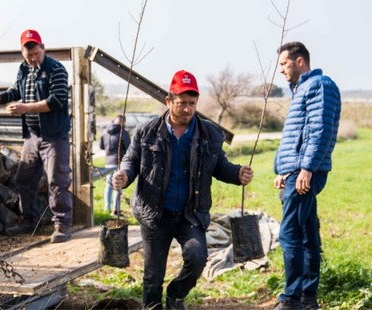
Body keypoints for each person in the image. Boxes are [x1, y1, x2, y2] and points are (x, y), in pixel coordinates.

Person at [112, 70, 254, 309]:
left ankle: (176, 294)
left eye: (192, 103)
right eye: (181, 103)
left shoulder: (210, 134)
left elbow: (220, 166)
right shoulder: (147, 131)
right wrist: (124, 176)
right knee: (153, 274)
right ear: (169, 101)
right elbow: (131, 160)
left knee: (198, 257)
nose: (187, 109)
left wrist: (237, 173)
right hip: (154, 214)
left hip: (190, 214)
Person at [272, 42, 341, 310]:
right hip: (297, 172)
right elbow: (295, 135)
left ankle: (291, 300)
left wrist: (307, 170)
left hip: (306, 173)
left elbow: (320, 131)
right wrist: (282, 170)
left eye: (284, 64)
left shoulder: (319, 86)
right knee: (308, 232)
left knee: (290, 233)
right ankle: (307, 299)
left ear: (300, 61)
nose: (281, 71)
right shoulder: (301, 89)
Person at [0, 29, 73, 243]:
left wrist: (26, 108)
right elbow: (18, 90)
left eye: (36, 53)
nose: (33, 58)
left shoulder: (56, 70)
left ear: (42, 48)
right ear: (22, 53)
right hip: (32, 136)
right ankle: (27, 219)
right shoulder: (24, 69)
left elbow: (57, 100)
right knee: (25, 179)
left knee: (57, 180)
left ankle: (61, 225)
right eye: (29, 55)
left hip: (54, 136)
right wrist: (1, 97)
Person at [99, 115, 130, 215]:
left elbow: (101, 146)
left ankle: (106, 207)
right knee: (118, 185)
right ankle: (116, 209)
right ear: (123, 122)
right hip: (119, 162)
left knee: (108, 185)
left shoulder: (104, 132)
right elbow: (129, 148)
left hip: (108, 162)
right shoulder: (123, 133)